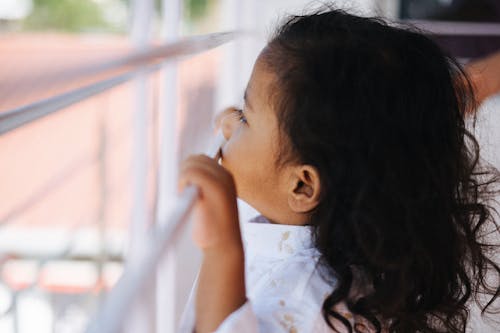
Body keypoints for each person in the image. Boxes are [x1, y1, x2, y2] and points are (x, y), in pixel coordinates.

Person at [177, 7, 500, 333]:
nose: (225, 124)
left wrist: (221, 250)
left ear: (303, 186)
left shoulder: (305, 300)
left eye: (245, 116)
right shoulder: (344, 263)